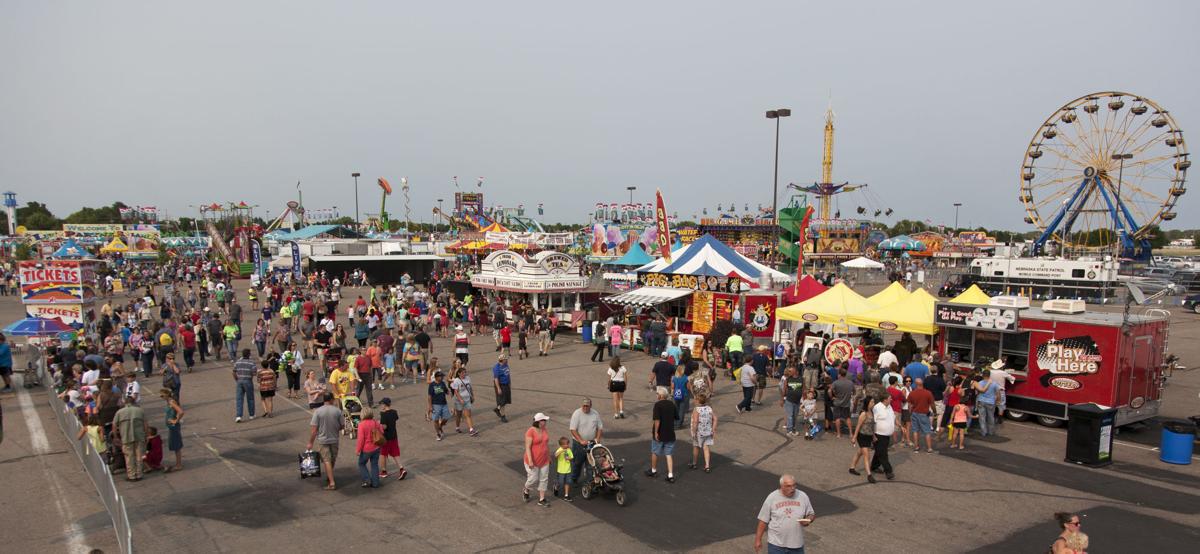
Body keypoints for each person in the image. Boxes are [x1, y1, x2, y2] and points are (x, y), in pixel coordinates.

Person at [754, 474, 815, 553]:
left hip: (797, 545)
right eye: (788, 486)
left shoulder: (802, 496)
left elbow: (811, 514)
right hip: (776, 545)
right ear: (782, 486)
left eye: (794, 485)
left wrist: (808, 520)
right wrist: (758, 540)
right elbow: (763, 520)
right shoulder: (772, 497)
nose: (792, 489)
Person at [306, 392, 343, 490]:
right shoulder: (337, 411)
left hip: (322, 440)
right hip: (334, 439)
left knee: (327, 460)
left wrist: (310, 442)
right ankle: (331, 480)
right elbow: (342, 426)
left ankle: (331, 481)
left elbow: (314, 430)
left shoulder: (318, 411)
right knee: (332, 459)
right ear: (331, 399)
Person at [568, 397, 604, 487]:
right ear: (582, 405)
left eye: (587, 406)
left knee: (591, 464)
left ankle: (590, 482)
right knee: (577, 463)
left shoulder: (595, 413)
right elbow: (573, 429)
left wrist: (598, 439)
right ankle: (574, 478)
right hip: (578, 444)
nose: (585, 408)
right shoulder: (577, 414)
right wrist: (581, 440)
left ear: (590, 406)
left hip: (591, 443)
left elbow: (600, 427)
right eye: (584, 406)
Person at [113, 395, 149, 481]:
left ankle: (132, 475)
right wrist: (146, 435)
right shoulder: (140, 411)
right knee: (139, 456)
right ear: (134, 402)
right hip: (139, 436)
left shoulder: (119, 412)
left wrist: (115, 437)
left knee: (129, 456)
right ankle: (139, 474)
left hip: (126, 436)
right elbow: (145, 424)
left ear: (125, 402)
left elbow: (114, 425)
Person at [646, 386, 678, 483]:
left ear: (660, 395)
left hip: (660, 433)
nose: (656, 396)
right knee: (668, 454)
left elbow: (657, 420)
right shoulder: (672, 404)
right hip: (670, 432)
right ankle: (670, 475)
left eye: (657, 394)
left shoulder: (658, 405)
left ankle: (653, 470)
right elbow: (677, 417)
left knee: (655, 451)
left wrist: (656, 432)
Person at [523, 412, 552, 507]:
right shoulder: (530, 431)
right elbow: (527, 447)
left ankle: (542, 499)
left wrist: (549, 456)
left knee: (544, 479)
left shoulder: (544, 429)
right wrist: (530, 461)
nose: (546, 421)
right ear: (539, 422)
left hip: (544, 460)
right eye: (544, 420)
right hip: (532, 460)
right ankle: (526, 489)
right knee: (533, 478)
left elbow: (546, 444)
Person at [377, 398, 408, 480]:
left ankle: (384, 471)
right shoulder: (394, 412)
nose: (381, 406)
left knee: (382, 454)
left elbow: (384, 426)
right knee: (395, 453)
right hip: (394, 436)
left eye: (381, 404)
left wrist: (378, 424)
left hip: (386, 437)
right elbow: (395, 419)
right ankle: (401, 469)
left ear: (384, 404)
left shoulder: (383, 414)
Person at [870, 389, 896, 480]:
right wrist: (873, 436)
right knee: (883, 454)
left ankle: (874, 466)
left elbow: (893, 417)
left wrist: (899, 425)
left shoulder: (889, 406)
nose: (891, 399)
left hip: (886, 435)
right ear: (885, 399)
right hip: (879, 434)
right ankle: (888, 471)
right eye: (890, 398)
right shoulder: (877, 408)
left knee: (879, 452)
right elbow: (872, 422)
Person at [355, 408, 383, 488]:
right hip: (376, 447)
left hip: (366, 449)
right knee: (374, 465)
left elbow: (361, 439)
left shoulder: (361, 424)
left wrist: (358, 450)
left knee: (361, 463)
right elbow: (382, 431)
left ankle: (367, 480)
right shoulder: (375, 422)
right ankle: (376, 483)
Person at [850, 397, 876, 482]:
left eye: (873, 402)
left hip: (868, 436)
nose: (873, 403)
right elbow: (858, 426)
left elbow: (871, 426)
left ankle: (852, 467)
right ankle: (869, 475)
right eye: (871, 402)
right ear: (867, 403)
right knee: (866, 455)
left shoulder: (871, 412)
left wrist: (873, 436)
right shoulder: (863, 414)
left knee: (860, 452)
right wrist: (854, 437)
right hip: (862, 436)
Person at [160, 388, 185, 472]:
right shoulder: (169, 402)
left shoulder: (171, 402)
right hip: (171, 426)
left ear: (167, 395)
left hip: (173, 426)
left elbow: (181, 412)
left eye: (162, 395)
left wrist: (175, 420)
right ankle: (178, 463)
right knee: (174, 444)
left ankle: (179, 465)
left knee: (176, 445)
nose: (161, 397)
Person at [690, 394, 716, 472]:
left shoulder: (696, 409)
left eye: (695, 399)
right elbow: (715, 418)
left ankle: (694, 463)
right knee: (706, 448)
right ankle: (707, 465)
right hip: (708, 431)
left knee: (696, 447)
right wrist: (713, 429)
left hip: (699, 432)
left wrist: (694, 432)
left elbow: (695, 421)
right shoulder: (709, 408)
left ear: (697, 401)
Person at [908, 378, 935, 453]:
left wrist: (910, 413)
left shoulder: (912, 393)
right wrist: (935, 412)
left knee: (915, 430)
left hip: (915, 413)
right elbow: (932, 404)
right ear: (922, 384)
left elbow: (909, 405)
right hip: (924, 413)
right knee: (927, 431)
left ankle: (916, 447)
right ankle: (929, 448)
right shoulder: (928, 393)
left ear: (916, 384)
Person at [450, 366, 478, 436]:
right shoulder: (456, 380)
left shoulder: (468, 378)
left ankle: (471, 430)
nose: (464, 374)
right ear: (459, 374)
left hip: (467, 399)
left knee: (468, 415)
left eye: (465, 372)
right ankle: (457, 427)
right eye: (462, 373)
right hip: (459, 400)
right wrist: (460, 399)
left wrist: (472, 396)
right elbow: (456, 391)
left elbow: (470, 388)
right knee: (459, 415)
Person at [972, 370, 1001, 437]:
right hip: (991, 402)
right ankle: (990, 432)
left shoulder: (980, 383)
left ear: (983, 375)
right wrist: (998, 401)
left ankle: (983, 432)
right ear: (989, 375)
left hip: (981, 401)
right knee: (991, 417)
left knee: (982, 417)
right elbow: (998, 394)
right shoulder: (994, 384)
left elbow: (977, 393)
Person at [829, 368, 855, 438]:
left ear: (839, 374)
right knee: (848, 418)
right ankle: (850, 433)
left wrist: (832, 397)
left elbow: (829, 391)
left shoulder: (836, 382)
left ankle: (839, 434)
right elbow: (854, 391)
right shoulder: (850, 382)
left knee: (837, 418)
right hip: (846, 403)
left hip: (837, 402)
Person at [233, 349, 256, 422]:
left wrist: (237, 379)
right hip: (248, 381)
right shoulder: (251, 363)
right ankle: (251, 414)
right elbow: (254, 373)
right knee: (250, 398)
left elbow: (233, 371)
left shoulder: (238, 362)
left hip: (239, 381)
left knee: (239, 399)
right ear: (249, 354)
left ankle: (239, 416)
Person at [427, 370, 451, 441]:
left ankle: (440, 426)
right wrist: (430, 406)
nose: (442, 377)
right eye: (441, 376)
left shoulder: (443, 383)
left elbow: (446, 391)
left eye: (442, 376)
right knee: (436, 420)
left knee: (446, 417)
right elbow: (429, 396)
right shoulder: (432, 385)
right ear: (436, 377)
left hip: (444, 403)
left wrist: (448, 392)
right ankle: (438, 434)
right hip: (436, 405)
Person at [553, 437, 574, 501]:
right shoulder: (559, 449)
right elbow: (555, 455)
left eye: (567, 444)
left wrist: (569, 458)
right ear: (561, 445)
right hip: (561, 470)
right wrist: (562, 451)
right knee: (561, 482)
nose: (567, 445)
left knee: (568, 482)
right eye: (565, 444)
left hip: (568, 469)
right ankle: (556, 486)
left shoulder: (569, 450)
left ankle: (566, 495)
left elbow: (572, 457)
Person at [492, 354, 512, 423]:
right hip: (500, 385)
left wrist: (509, 383)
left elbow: (508, 374)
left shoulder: (506, 365)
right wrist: (498, 388)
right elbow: (496, 379)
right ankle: (503, 416)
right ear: (502, 360)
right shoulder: (496, 368)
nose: (507, 360)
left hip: (506, 385)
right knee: (502, 402)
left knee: (505, 400)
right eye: (505, 359)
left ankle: (497, 409)